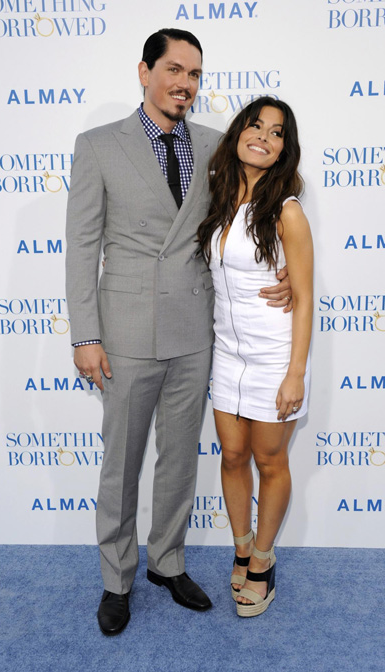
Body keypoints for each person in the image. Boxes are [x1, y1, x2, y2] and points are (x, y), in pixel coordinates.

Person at [65, 30, 293, 636]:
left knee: (179, 460)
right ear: (145, 72)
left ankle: (167, 561)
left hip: (197, 330)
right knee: (121, 464)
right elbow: (82, 246)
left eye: (194, 74)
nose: (184, 83)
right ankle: (117, 579)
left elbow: (263, 210)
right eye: (173, 69)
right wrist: (85, 335)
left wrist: (289, 274)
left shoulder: (218, 145)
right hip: (126, 332)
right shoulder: (98, 146)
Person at [197, 97, 313, 617]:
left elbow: (304, 298)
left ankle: (263, 559)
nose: (264, 136)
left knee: (270, 460)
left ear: (285, 149)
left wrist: (295, 374)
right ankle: (241, 547)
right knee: (232, 455)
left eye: (277, 132)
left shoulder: (287, 210)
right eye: (256, 125)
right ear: (238, 132)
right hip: (227, 354)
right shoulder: (218, 198)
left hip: (273, 357)